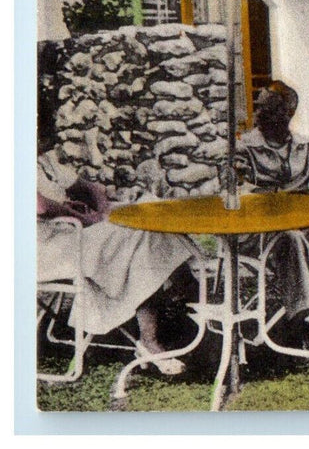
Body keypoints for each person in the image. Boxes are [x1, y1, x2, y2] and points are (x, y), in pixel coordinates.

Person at [37, 149, 199, 375]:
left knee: (149, 211)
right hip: (45, 249)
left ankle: (180, 295)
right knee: (139, 235)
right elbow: (40, 207)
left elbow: (88, 188)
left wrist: (102, 212)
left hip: (71, 233)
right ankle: (155, 334)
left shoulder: (45, 162)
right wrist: (80, 217)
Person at [235, 80, 309, 349]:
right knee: (290, 239)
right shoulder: (244, 147)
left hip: (302, 226)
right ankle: (297, 319)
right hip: (259, 232)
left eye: (271, 110)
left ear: (288, 114)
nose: (262, 115)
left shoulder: (306, 146)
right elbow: (239, 187)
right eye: (260, 109)